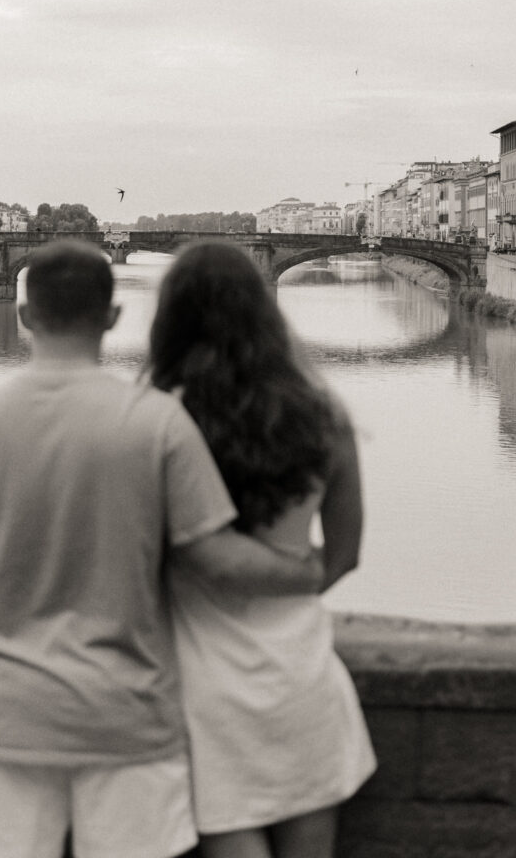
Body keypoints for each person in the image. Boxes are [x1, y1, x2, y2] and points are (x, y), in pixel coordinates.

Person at [0, 240, 324, 858]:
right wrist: (316, 569)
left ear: (24, 315)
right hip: (127, 715)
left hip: (8, 711)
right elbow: (211, 555)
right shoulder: (159, 423)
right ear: (112, 318)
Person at [148, 241, 377, 858]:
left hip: (199, 677)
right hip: (301, 670)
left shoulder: (160, 417)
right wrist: (296, 576)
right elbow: (345, 555)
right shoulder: (323, 411)